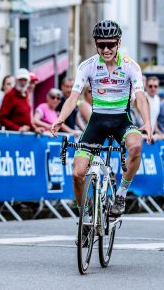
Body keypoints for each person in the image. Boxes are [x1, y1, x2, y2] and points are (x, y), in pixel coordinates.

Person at [51, 19, 152, 223]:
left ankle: (121, 195)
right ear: (96, 44)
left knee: (135, 145)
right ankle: (85, 216)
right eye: (101, 44)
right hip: (96, 122)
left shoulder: (130, 66)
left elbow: (140, 97)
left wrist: (147, 122)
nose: (106, 49)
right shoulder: (87, 66)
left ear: (119, 44)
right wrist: (60, 119)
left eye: (111, 44)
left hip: (121, 120)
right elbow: (73, 97)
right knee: (77, 173)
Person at [0, 68, 43, 133]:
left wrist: (35, 129)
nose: (23, 82)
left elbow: (27, 120)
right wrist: (18, 128)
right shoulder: (9, 95)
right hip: (13, 135)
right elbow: (1, 118)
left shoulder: (26, 94)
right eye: (20, 80)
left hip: (25, 135)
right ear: (16, 80)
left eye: (25, 80)